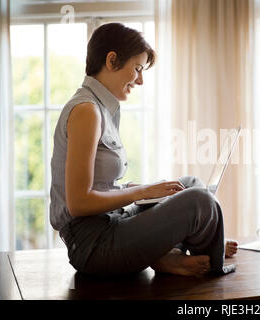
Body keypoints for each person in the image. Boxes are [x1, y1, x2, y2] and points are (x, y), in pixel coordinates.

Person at [49, 22, 238, 277]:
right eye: (137, 69)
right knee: (201, 202)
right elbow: (79, 203)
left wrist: (137, 191)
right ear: (112, 60)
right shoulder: (86, 111)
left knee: (190, 184)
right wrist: (143, 191)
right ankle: (196, 251)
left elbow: (100, 186)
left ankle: (169, 255)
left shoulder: (103, 109)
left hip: (114, 220)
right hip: (93, 245)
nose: (140, 80)